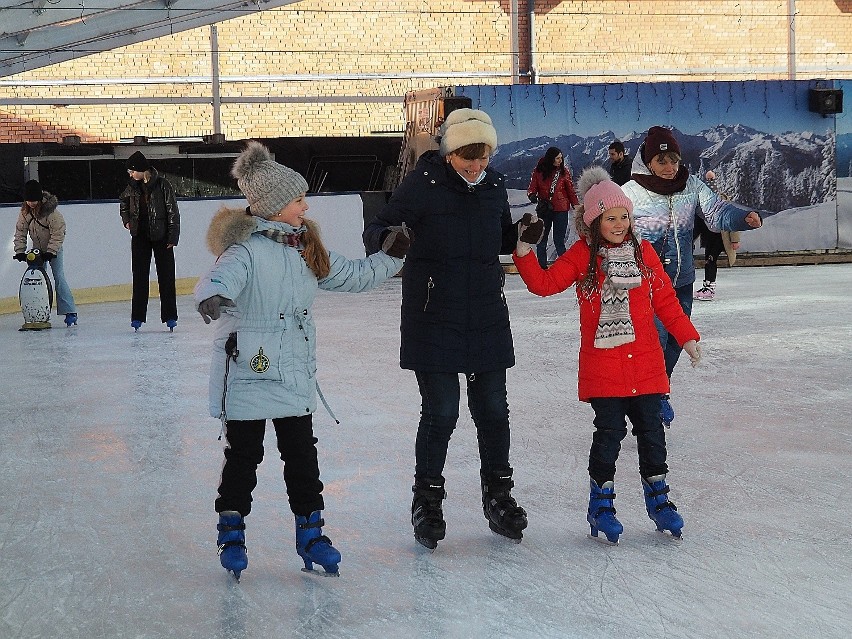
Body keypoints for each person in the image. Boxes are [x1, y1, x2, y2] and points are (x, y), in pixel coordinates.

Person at [195, 141, 408, 580]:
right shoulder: (245, 250)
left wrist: (391, 258)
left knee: (302, 459)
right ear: (273, 206)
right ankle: (231, 530)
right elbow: (219, 277)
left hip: (293, 373)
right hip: (250, 372)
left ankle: (311, 533)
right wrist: (212, 296)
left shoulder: (304, 248)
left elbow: (350, 275)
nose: (305, 205)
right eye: (297, 199)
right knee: (243, 458)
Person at [362, 108, 528, 551]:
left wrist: (521, 237)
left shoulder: (492, 186)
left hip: (487, 314)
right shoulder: (423, 184)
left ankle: (498, 495)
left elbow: (500, 240)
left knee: (493, 410)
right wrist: (389, 239)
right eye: (467, 158)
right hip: (433, 314)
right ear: (450, 152)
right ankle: (428, 501)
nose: (476, 167)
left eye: (483, 158)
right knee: (442, 411)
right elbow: (377, 226)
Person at [513, 166, 701, 543]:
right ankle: (601, 505)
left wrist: (686, 336)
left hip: (646, 365)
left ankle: (660, 501)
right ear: (594, 220)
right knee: (610, 434)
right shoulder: (583, 257)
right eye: (610, 217)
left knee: (651, 434)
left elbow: (665, 299)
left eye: (624, 216)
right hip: (605, 369)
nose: (618, 224)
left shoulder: (643, 252)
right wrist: (524, 251)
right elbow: (544, 284)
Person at [621, 126, 762, 427]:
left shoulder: (691, 186)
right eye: (662, 162)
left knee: (675, 341)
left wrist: (741, 218)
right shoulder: (630, 193)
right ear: (648, 162)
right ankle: (651, 400)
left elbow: (715, 213)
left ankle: (658, 392)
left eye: (674, 159)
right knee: (656, 342)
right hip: (647, 284)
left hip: (682, 281)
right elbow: (612, 227)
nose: (670, 167)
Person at [119, 151, 180, 331]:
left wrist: (173, 237)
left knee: (166, 277)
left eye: (132, 171)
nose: (130, 175)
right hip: (139, 236)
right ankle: (137, 317)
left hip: (162, 237)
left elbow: (173, 212)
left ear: (140, 169)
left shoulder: (163, 185)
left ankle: (170, 316)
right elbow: (123, 202)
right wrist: (127, 220)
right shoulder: (131, 186)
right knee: (139, 277)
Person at [13, 180, 78, 327]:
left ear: (40, 199)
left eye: (34, 200)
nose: (31, 203)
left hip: (54, 249)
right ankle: (40, 310)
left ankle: (70, 311)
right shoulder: (25, 212)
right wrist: (20, 251)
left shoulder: (51, 212)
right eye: (28, 200)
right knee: (37, 280)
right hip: (37, 250)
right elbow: (20, 232)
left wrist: (51, 251)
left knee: (59, 277)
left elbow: (58, 232)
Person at [526, 146, 579, 268]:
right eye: (557, 158)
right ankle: (542, 267)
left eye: (561, 158)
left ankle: (566, 268)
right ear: (551, 159)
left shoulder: (564, 172)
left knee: (559, 241)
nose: (560, 161)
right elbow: (532, 187)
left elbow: (571, 191)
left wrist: (576, 206)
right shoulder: (538, 171)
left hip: (561, 209)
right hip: (545, 209)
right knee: (542, 239)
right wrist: (532, 195)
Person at [693, 171, 741, 301]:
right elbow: (697, 225)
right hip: (710, 237)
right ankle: (707, 286)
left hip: (721, 237)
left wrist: (735, 240)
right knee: (709, 260)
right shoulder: (700, 207)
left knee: (711, 259)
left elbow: (733, 222)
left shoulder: (724, 205)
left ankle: (710, 288)